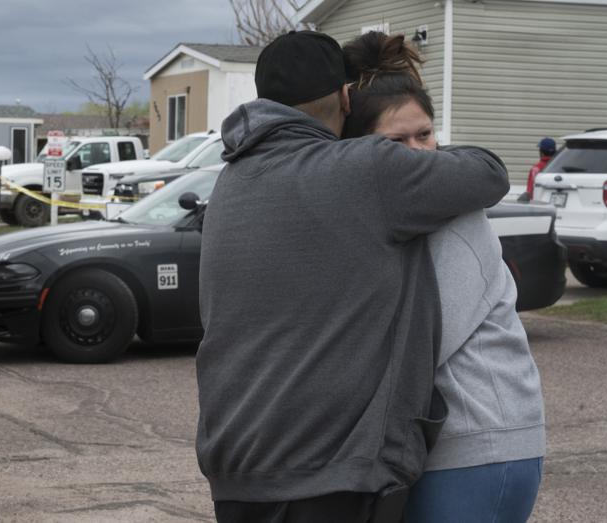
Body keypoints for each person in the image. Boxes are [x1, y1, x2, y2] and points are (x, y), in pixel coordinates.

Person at [196, 31, 509, 522]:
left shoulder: (230, 183)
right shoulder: (365, 172)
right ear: (346, 96)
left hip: (236, 469)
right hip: (330, 474)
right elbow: (488, 173)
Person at [342, 32, 545, 523]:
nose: (419, 153)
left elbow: (423, 341)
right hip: (443, 450)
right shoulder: (393, 211)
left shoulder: (453, 211)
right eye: (396, 141)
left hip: (479, 446)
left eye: (425, 134)